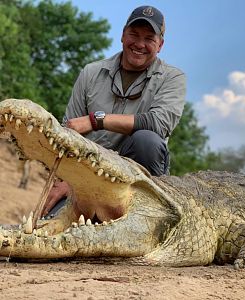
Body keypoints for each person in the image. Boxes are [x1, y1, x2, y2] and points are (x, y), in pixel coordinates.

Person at [42, 5, 186, 217]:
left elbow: (159, 123)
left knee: (147, 140)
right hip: (86, 176)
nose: (139, 44)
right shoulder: (90, 73)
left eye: (149, 38)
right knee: (45, 227)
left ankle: (146, 215)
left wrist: (96, 120)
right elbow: (69, 133)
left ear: (160, 45)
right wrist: (69, 182)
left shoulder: (173, 78)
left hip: (137, 184)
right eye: (134, 35)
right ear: (122, 35)